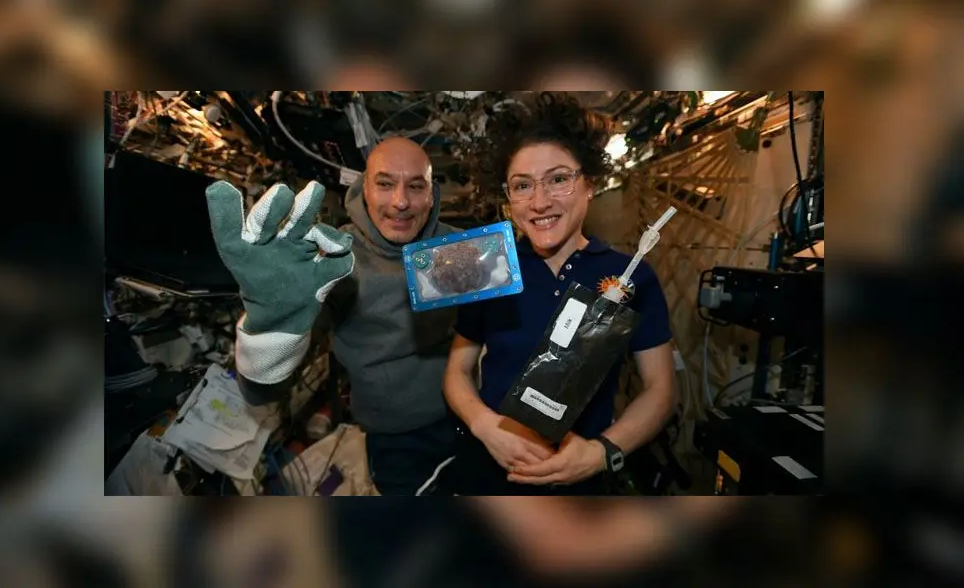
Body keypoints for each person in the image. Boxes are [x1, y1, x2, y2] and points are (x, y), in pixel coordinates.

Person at [443, 93, 676, 495]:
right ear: (508, 197)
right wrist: (486, 427)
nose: (539, 201)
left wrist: (602, 452)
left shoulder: (629, 275)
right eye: (522, 185)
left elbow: (661, 389)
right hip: (489, 470)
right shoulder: (488, 267)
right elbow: (457, 372)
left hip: (581, 480)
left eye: (558, 179)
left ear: (589, 184)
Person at [205, 137, 458, 495]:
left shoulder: (458, 247)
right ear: (364, 189)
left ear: (432, 194)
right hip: (395, 439)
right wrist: (271, 329)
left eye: (416, 187)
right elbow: (261, 393)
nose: (401, 202)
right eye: (385, 184)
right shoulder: (332, 260)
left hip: (471, 414)